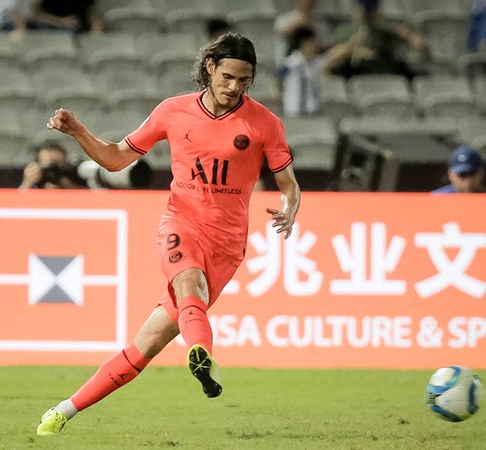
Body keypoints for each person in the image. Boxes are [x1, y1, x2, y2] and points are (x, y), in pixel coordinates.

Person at [36, 32, 301, 435]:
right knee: (189, 281)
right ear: (210, 67)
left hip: (227, 245)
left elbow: (289, 185)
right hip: (181, 223)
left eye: (244, 81)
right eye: (228, 77)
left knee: (147, 344)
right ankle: (202, 354)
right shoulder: (173, 111)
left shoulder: (264, 123)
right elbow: (114, 158)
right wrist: (78, 132)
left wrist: (290, 209)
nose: (234, 88)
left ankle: (61, 413)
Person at [327, 0, 429, 79]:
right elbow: (332, 59)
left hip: (382, 71)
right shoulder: (345, 31)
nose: (367, 13)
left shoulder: (385, 30)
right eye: (364, 8)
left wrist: (411, 38)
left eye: (371, 9)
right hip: (356, 71)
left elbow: (421, 48)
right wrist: (352, 49)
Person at [277, 26, 338, 117]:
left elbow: (334, 56)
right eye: (313, 42)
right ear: (305, 43)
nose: (315, 45)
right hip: (294, 112)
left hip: (312, 111)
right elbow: (279, 81)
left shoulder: (315, 63)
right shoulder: (290, 63)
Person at [18, 139, 87, 189]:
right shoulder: (35, 183)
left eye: (56, 164)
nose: (52, 169)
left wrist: (68, 186)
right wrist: (27, 183)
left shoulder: (73, 176)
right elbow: (18, 203)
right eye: (48, 164)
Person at [32, 0, 103, 35]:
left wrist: (96, 25)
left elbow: (92, 9)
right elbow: (37, 13)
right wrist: (59, 21)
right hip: (50, 28)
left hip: (79, 30)